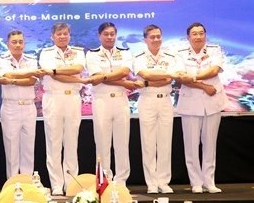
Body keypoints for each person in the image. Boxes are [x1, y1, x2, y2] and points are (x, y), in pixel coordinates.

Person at [85, 22, 143, 187]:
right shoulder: (92, 54)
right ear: (99, 36)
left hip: (120, 100)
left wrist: (104, 77)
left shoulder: (124, 52)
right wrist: (124, 83)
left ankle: (121, 181)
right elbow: (94, 78)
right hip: (101, 100)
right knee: (102, 142)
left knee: (122, 142)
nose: (109, 37)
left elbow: (124, 71)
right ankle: (105, 180)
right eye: (106, 34)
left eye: (112, 34)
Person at [133, 24, 188, 194]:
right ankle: (151, 182)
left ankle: (164, 182)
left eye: (158, 36)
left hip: (165, 101)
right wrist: (165, 76)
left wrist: (163, 77)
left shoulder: (172, 56)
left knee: (165, 142)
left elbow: (176, 76)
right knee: (148, 143)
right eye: (152, 37)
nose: (156, 39)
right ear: (145, 39)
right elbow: (146, 75)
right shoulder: (139, 56)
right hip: (147, 101)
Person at [175, 22, 227, 194]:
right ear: (188, 37)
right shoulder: (180, 54)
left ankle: (209, 181)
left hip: (213, 104)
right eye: (194, 34)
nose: (198, 36)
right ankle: (196, 182)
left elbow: (214, 71)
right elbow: (182, 78)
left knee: (210, 144)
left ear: (205, 34)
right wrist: (204, 86)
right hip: (190, 103)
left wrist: (194, 77)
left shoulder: (215, 49)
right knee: (191, 145)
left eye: (201, 33)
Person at [38, 22, 85, 195]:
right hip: (53, 99)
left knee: (72, 143)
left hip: (72, 98)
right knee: (53, 143)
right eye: (59, 34)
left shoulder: (79, 52)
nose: (63, 36)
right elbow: (54, 75)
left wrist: (55, 71)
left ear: (69, 35)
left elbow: (77, 68)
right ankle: (56, 185)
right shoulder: (46, 52)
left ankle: (71, 184)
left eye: (65, 33)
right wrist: (64, 73)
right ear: (52, 36)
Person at [0, 30, 44, 179]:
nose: (18, 45)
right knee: (11, 148)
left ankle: (27, 181)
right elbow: (5, 75)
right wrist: (25, 74)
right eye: (14, 42)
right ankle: (12, 182)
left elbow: (32, 80)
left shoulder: (31, 59)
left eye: (20, 42)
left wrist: (12, 80)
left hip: (29, 107)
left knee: (28, 147)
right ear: (7, 44)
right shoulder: (2, 59)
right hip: (10, 107)